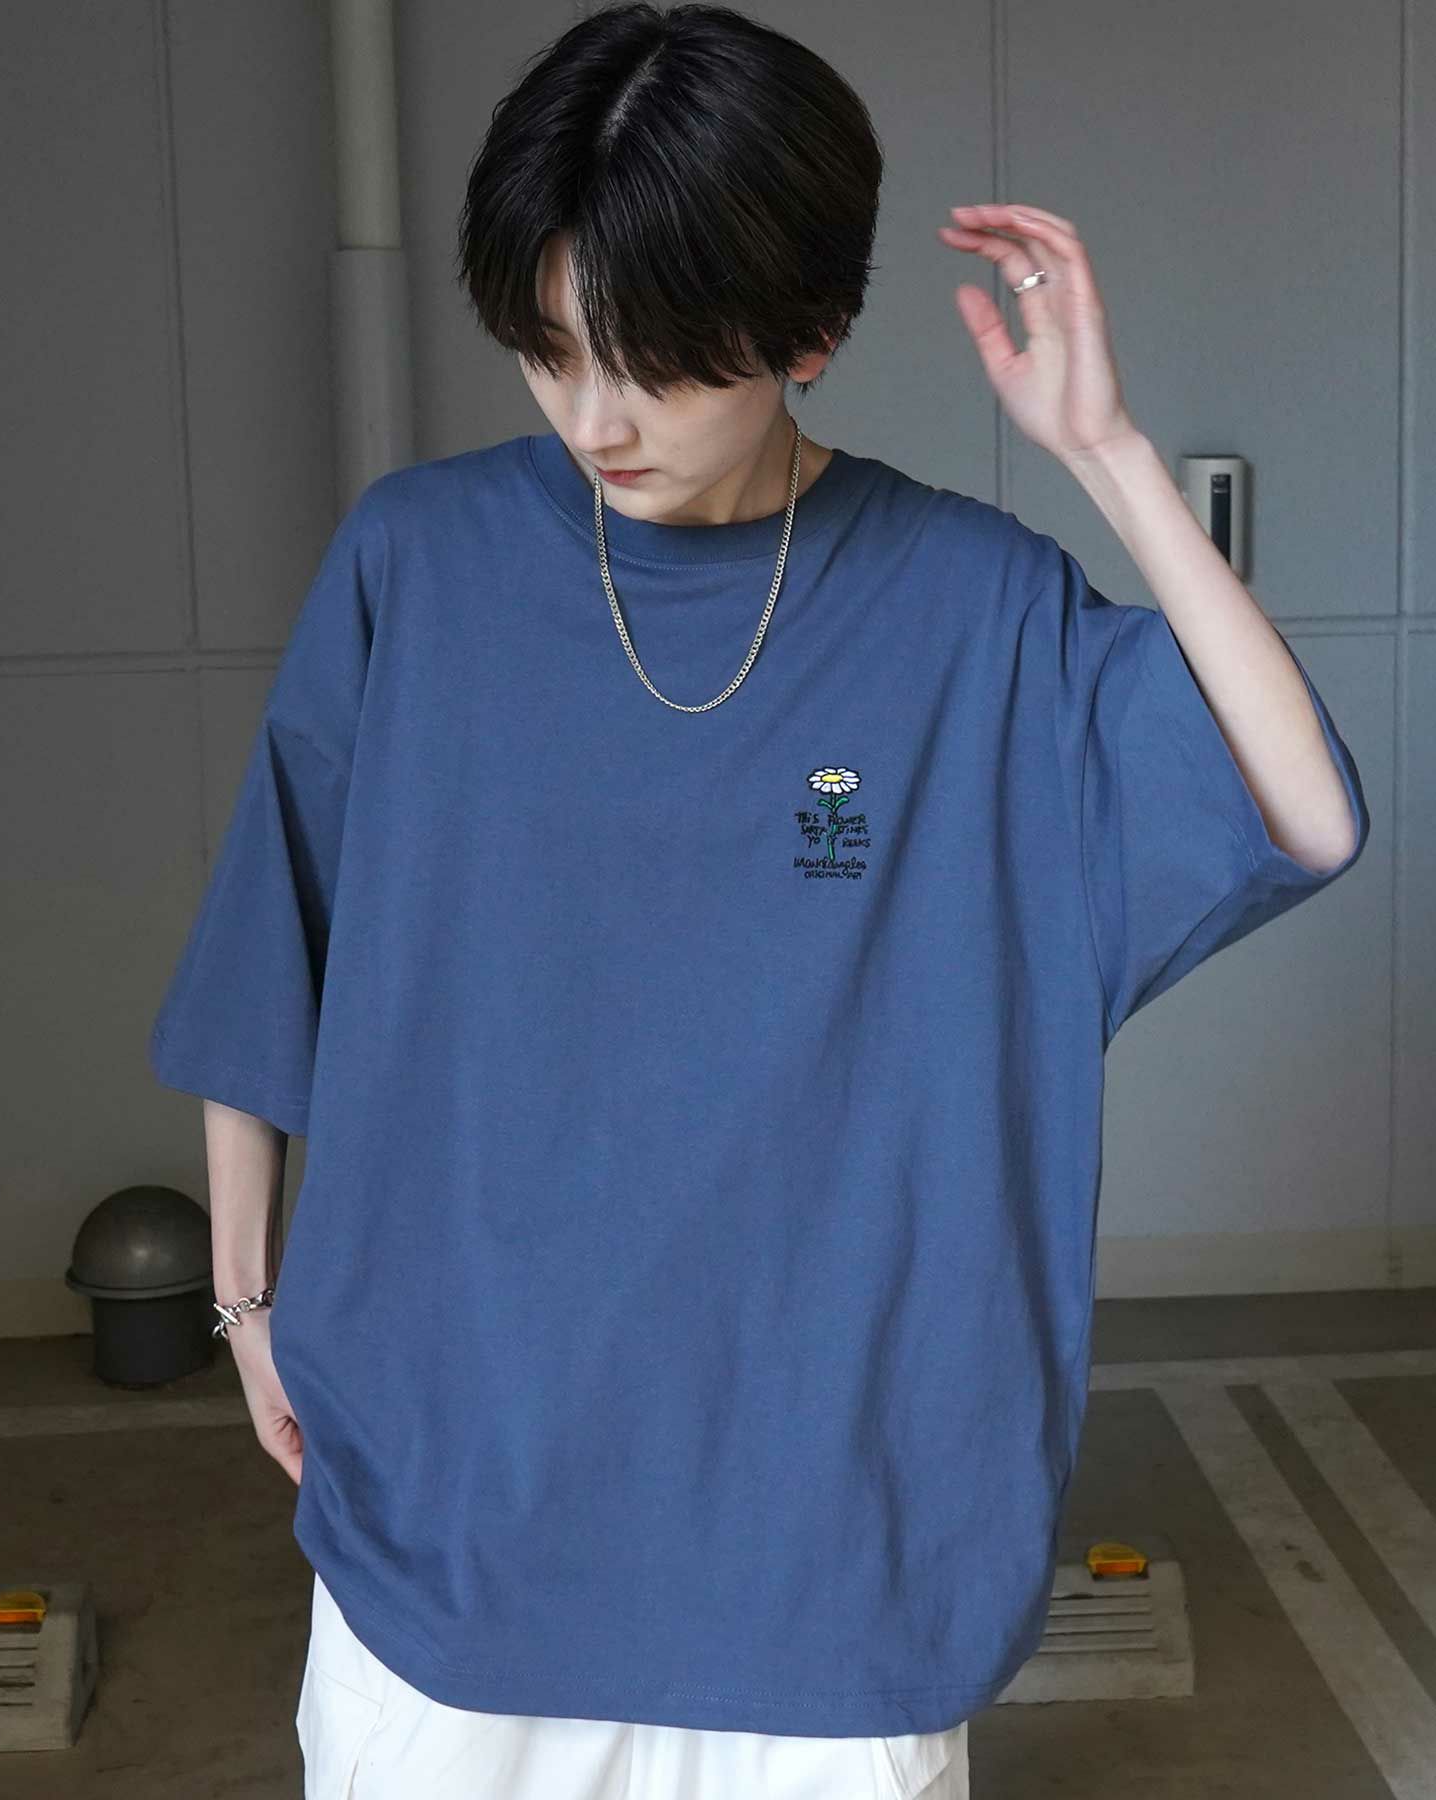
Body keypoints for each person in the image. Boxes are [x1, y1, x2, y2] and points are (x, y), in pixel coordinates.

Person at [148, 5, 1370, 1797]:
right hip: (457, 1510)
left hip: (834, 1540)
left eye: (655, 364)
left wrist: (1107, 451)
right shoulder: (421, 562)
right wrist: (248, 1304)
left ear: (810, 332)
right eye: (550, 351)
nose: (597, 418)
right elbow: (280, 926)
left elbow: (1303, 809)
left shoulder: (969, 608)